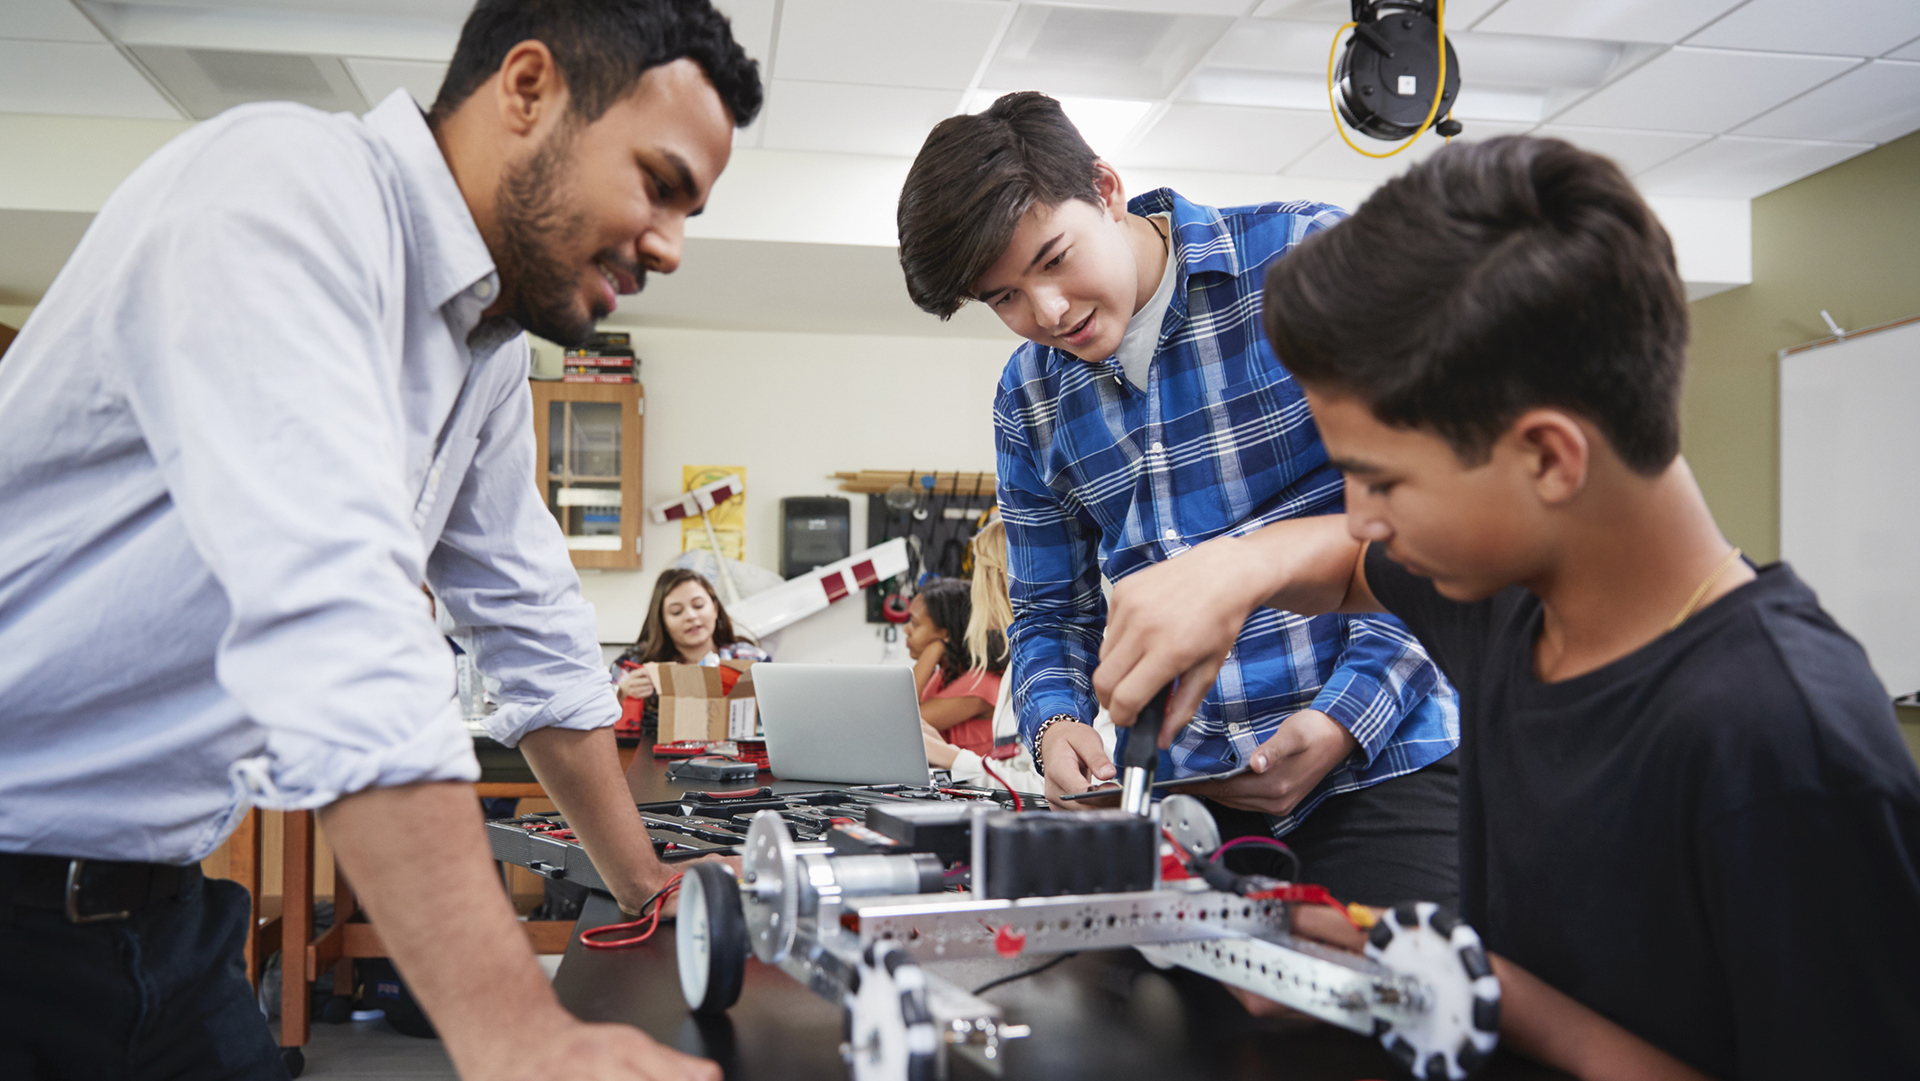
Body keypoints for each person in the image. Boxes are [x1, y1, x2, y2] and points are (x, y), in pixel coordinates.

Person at [0, 1, 760, 1078]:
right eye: (658, 181)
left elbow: (530, 616)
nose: (673, 247)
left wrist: (648, 887)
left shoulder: (488, 352)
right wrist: (517, 1033)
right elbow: (339, 620)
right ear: (528, 89)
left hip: (159, 914)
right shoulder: (282, 190)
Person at [1090, 136, 1920, 1080]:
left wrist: (1482, 985)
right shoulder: (1513, 600)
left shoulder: (1781, 735)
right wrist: (1231, 571)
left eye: (1378, 479)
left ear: (1548, 458)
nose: (1357, 515)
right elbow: (1345, 563)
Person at [896, 91, 1462, 907]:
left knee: (1399, 1011)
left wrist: (1345, 719)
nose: (1046, 312)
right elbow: (1050, 612)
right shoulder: (1027, 399)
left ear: (1106, 186)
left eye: (1054, 259)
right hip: (1185, 799)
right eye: (1004, 299)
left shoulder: (1306, 258)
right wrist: (1057, 725)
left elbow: (1443, 530)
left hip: (1384, 764)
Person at [921, 519, 1114, 794]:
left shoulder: (1086, 659)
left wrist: (952, 759)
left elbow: (1067, 787)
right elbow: (1016, 771)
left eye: (978, 572)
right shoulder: (1019, 665)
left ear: (1001, 579)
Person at [612, 567, 770, 737]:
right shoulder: (635, 663)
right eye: (676, 612)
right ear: (662, 621)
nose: (691, 616)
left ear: (715, 609)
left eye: (698, 605)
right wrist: (621, 691)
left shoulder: (752, 660)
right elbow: (594, 716)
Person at [905, 578, 1004, 757]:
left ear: (946, 632)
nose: (906, 629)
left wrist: (934, 650)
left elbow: (904, 722)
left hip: (973, 784)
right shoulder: (945, 674)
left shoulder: (980, 684)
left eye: (915, 623)